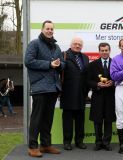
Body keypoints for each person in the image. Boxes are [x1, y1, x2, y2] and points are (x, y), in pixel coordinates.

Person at [25, 20, 65, 157]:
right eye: (47, 28)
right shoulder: (34, 44)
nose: (50, 31)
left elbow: (63, 64)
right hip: (40, 87)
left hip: (53, 88)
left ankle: (46, 145)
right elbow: (28, 61)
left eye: (51, 29)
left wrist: (59, 64)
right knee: (37, 118)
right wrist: (49, 64)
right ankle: (32, 146)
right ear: (42, 29)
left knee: (48, 119)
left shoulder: (56, 47)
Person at [60, 37, 89, 151]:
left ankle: (79, 141)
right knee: (67, 120)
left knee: (80, 120)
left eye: (79, 44)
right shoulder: (63, 55)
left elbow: (86, 74)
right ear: (71, 44)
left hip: (82, 94)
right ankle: (67, 142)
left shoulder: (85, 57)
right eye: (75, 44)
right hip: (67, 93)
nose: (77, 46)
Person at [87, 42, 116, 151]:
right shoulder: (92, 64)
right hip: (97, 96)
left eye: (106, 50)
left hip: (110, 96)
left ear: (109, 51)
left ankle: (106, 142)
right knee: (97, 120)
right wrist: (96, 84)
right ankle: (98, 142)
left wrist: (113, 82)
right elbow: (88, 81)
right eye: (102, 50)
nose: (104, 52)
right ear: (99, 51)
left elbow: (119, 78)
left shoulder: (115, 63)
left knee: (108, 120)